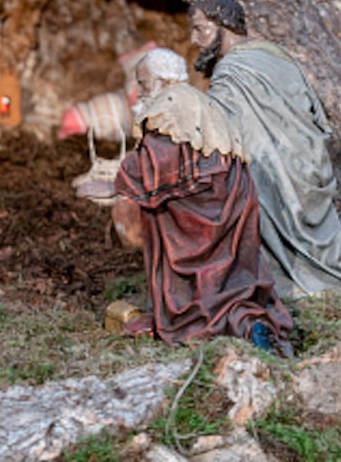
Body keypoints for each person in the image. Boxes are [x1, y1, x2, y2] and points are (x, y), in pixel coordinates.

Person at [188, 0, 341, 301]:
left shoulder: (233, 71)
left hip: (274, 171)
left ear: (225, 26)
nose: (194, 40)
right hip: (306, 162)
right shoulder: (275, 54)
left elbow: (217, 128)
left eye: (200, 29)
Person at [110, 48, 294, 351]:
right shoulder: (199, 102)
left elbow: (161, 160)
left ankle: (209, 324)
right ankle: (247, 324)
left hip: (201, 212)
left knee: (199, 287)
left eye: (143, 84)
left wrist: (117, 180)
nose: (139, 92)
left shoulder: (171, 105)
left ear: (161, 80)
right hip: (229, 202)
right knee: (228, 280)